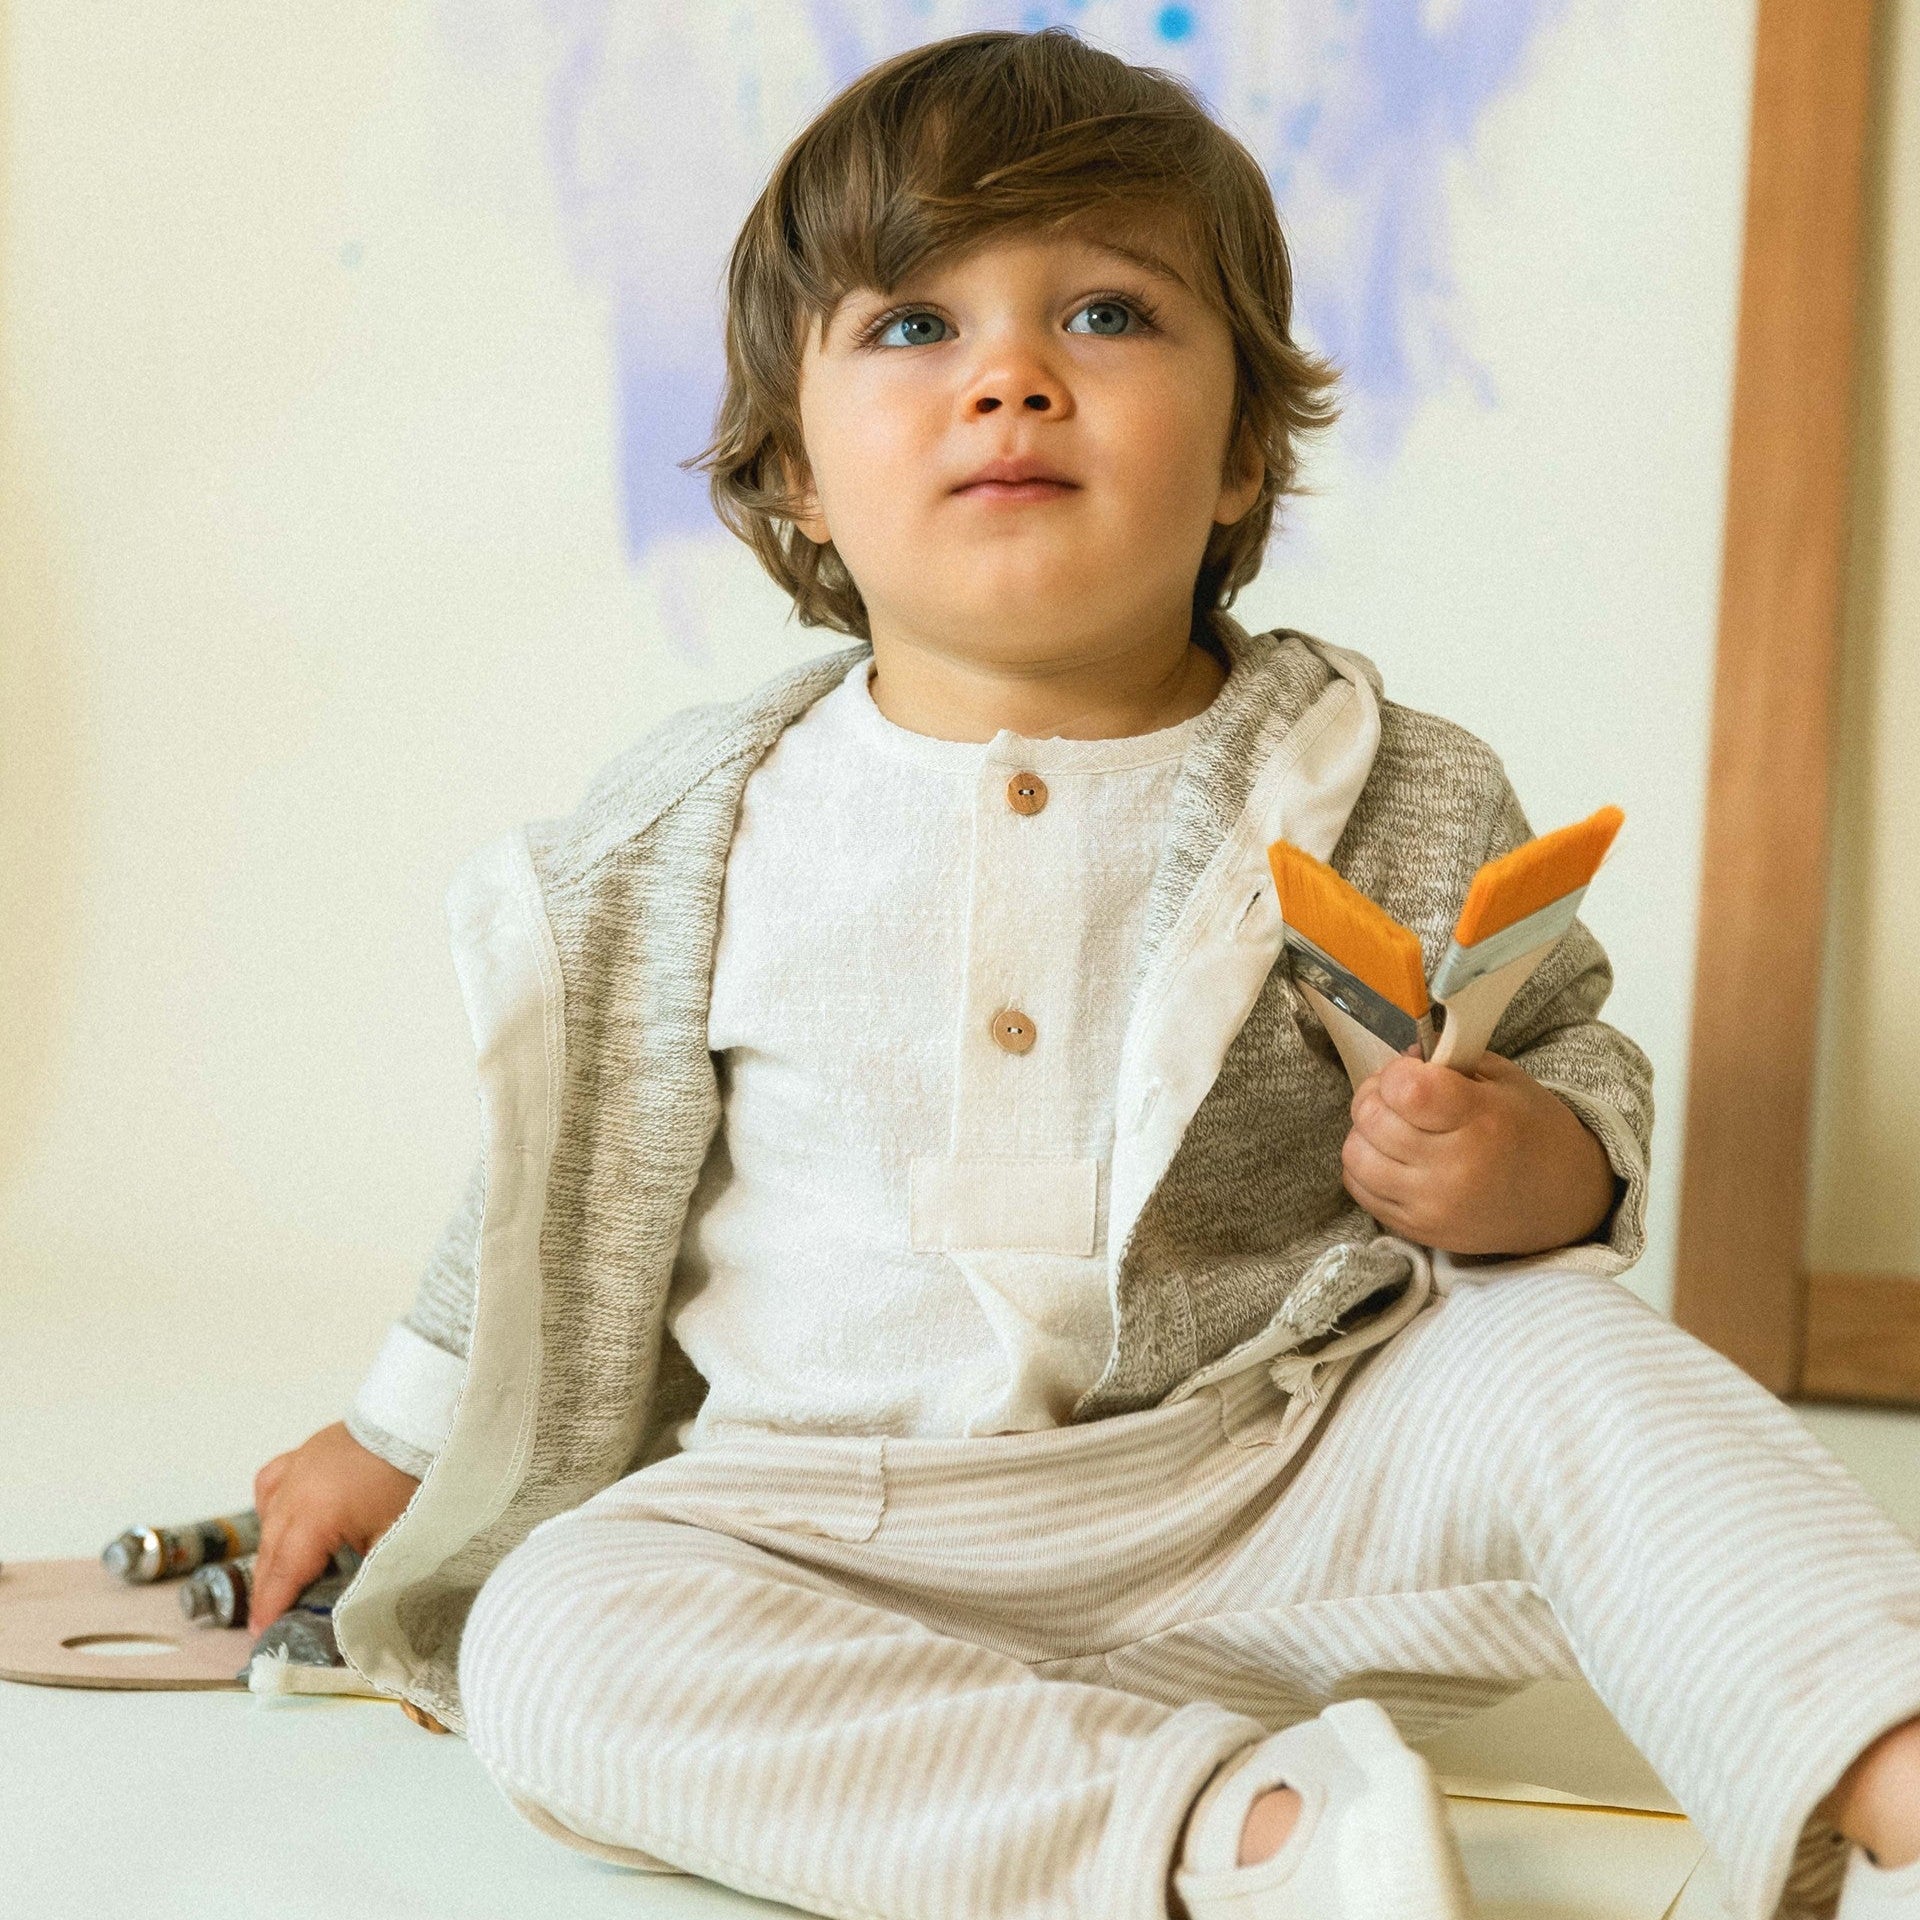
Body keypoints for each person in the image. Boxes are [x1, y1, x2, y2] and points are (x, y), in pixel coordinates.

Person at [245, 28, 1920, 1920]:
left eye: (1108, 315)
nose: (1013, 378)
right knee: (560, 1638)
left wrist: (1518, 1160)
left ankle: (1886, 1761)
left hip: (1278, 1480)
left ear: (1243, 453)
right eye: (914, 327)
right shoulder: (697, 833)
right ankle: (1247, 1838)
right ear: (795, 470)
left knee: (1573, 1362)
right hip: (836, 1534)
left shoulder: (1384, 786)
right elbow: (553, 1174)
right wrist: (394, 1441)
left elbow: (1563, 1060)